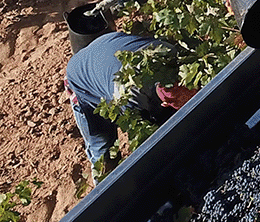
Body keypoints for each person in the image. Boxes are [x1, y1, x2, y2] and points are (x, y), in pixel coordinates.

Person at [65, 31, 197, 182]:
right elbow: (146, 138)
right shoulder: (129, 94)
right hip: (81, 81)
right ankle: (106, 193)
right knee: (104, 151)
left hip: (106, 47)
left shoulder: (171, 53)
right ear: (165, 102)